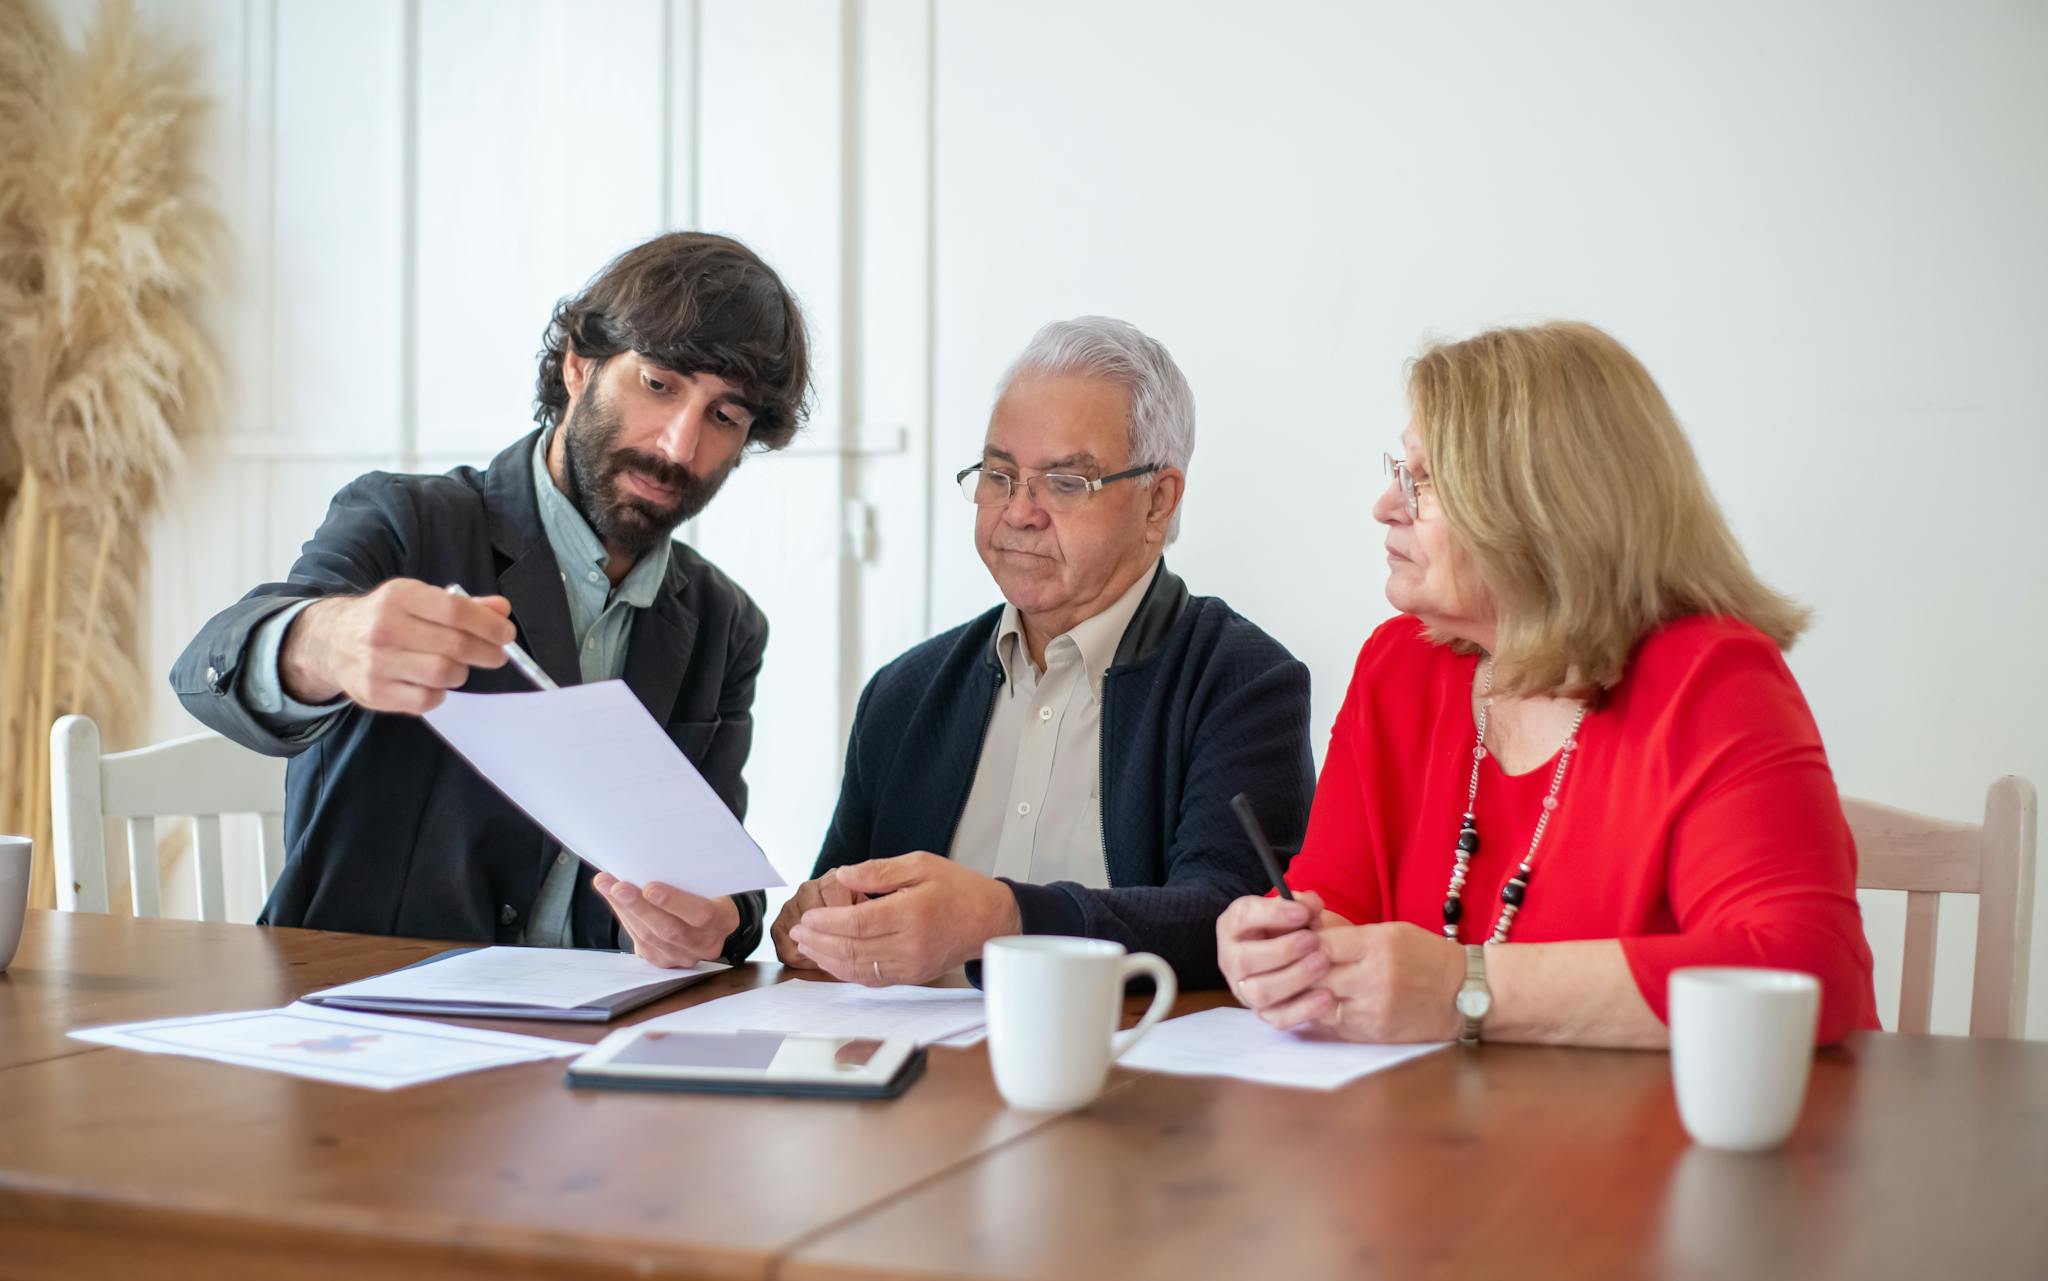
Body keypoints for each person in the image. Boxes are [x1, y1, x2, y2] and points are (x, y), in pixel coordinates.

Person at [1219, 321, 1879, 1047]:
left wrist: (1462, 987)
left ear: (1536, 509)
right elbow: (1338, 901)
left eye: (1423, 480)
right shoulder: (1400, 664)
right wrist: (1286, 953)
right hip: (1443, 1141)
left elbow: (1806, 968)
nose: (1385, 504)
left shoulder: (1713, 677)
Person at [173, 231, 809, 965]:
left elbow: (716, 865)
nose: (678, 444)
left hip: (601, 1035)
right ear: (579, 364)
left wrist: (721, 917)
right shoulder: (408, 523)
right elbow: (205, 668)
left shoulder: (723, 624)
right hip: (369, 1020)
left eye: (724, 416)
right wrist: (324, 639)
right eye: (659, 383)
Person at [772, 317, 1314, 991]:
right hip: (918, 1083)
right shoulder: (905, 692)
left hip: (1129, 1073)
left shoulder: (1241, 681)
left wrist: (1004, 916)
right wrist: (816, 920)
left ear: (1158, 500)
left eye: (1064, 482)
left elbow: (1235, 917)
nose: (1018, 511)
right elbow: (833, 904)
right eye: (1000, 475)